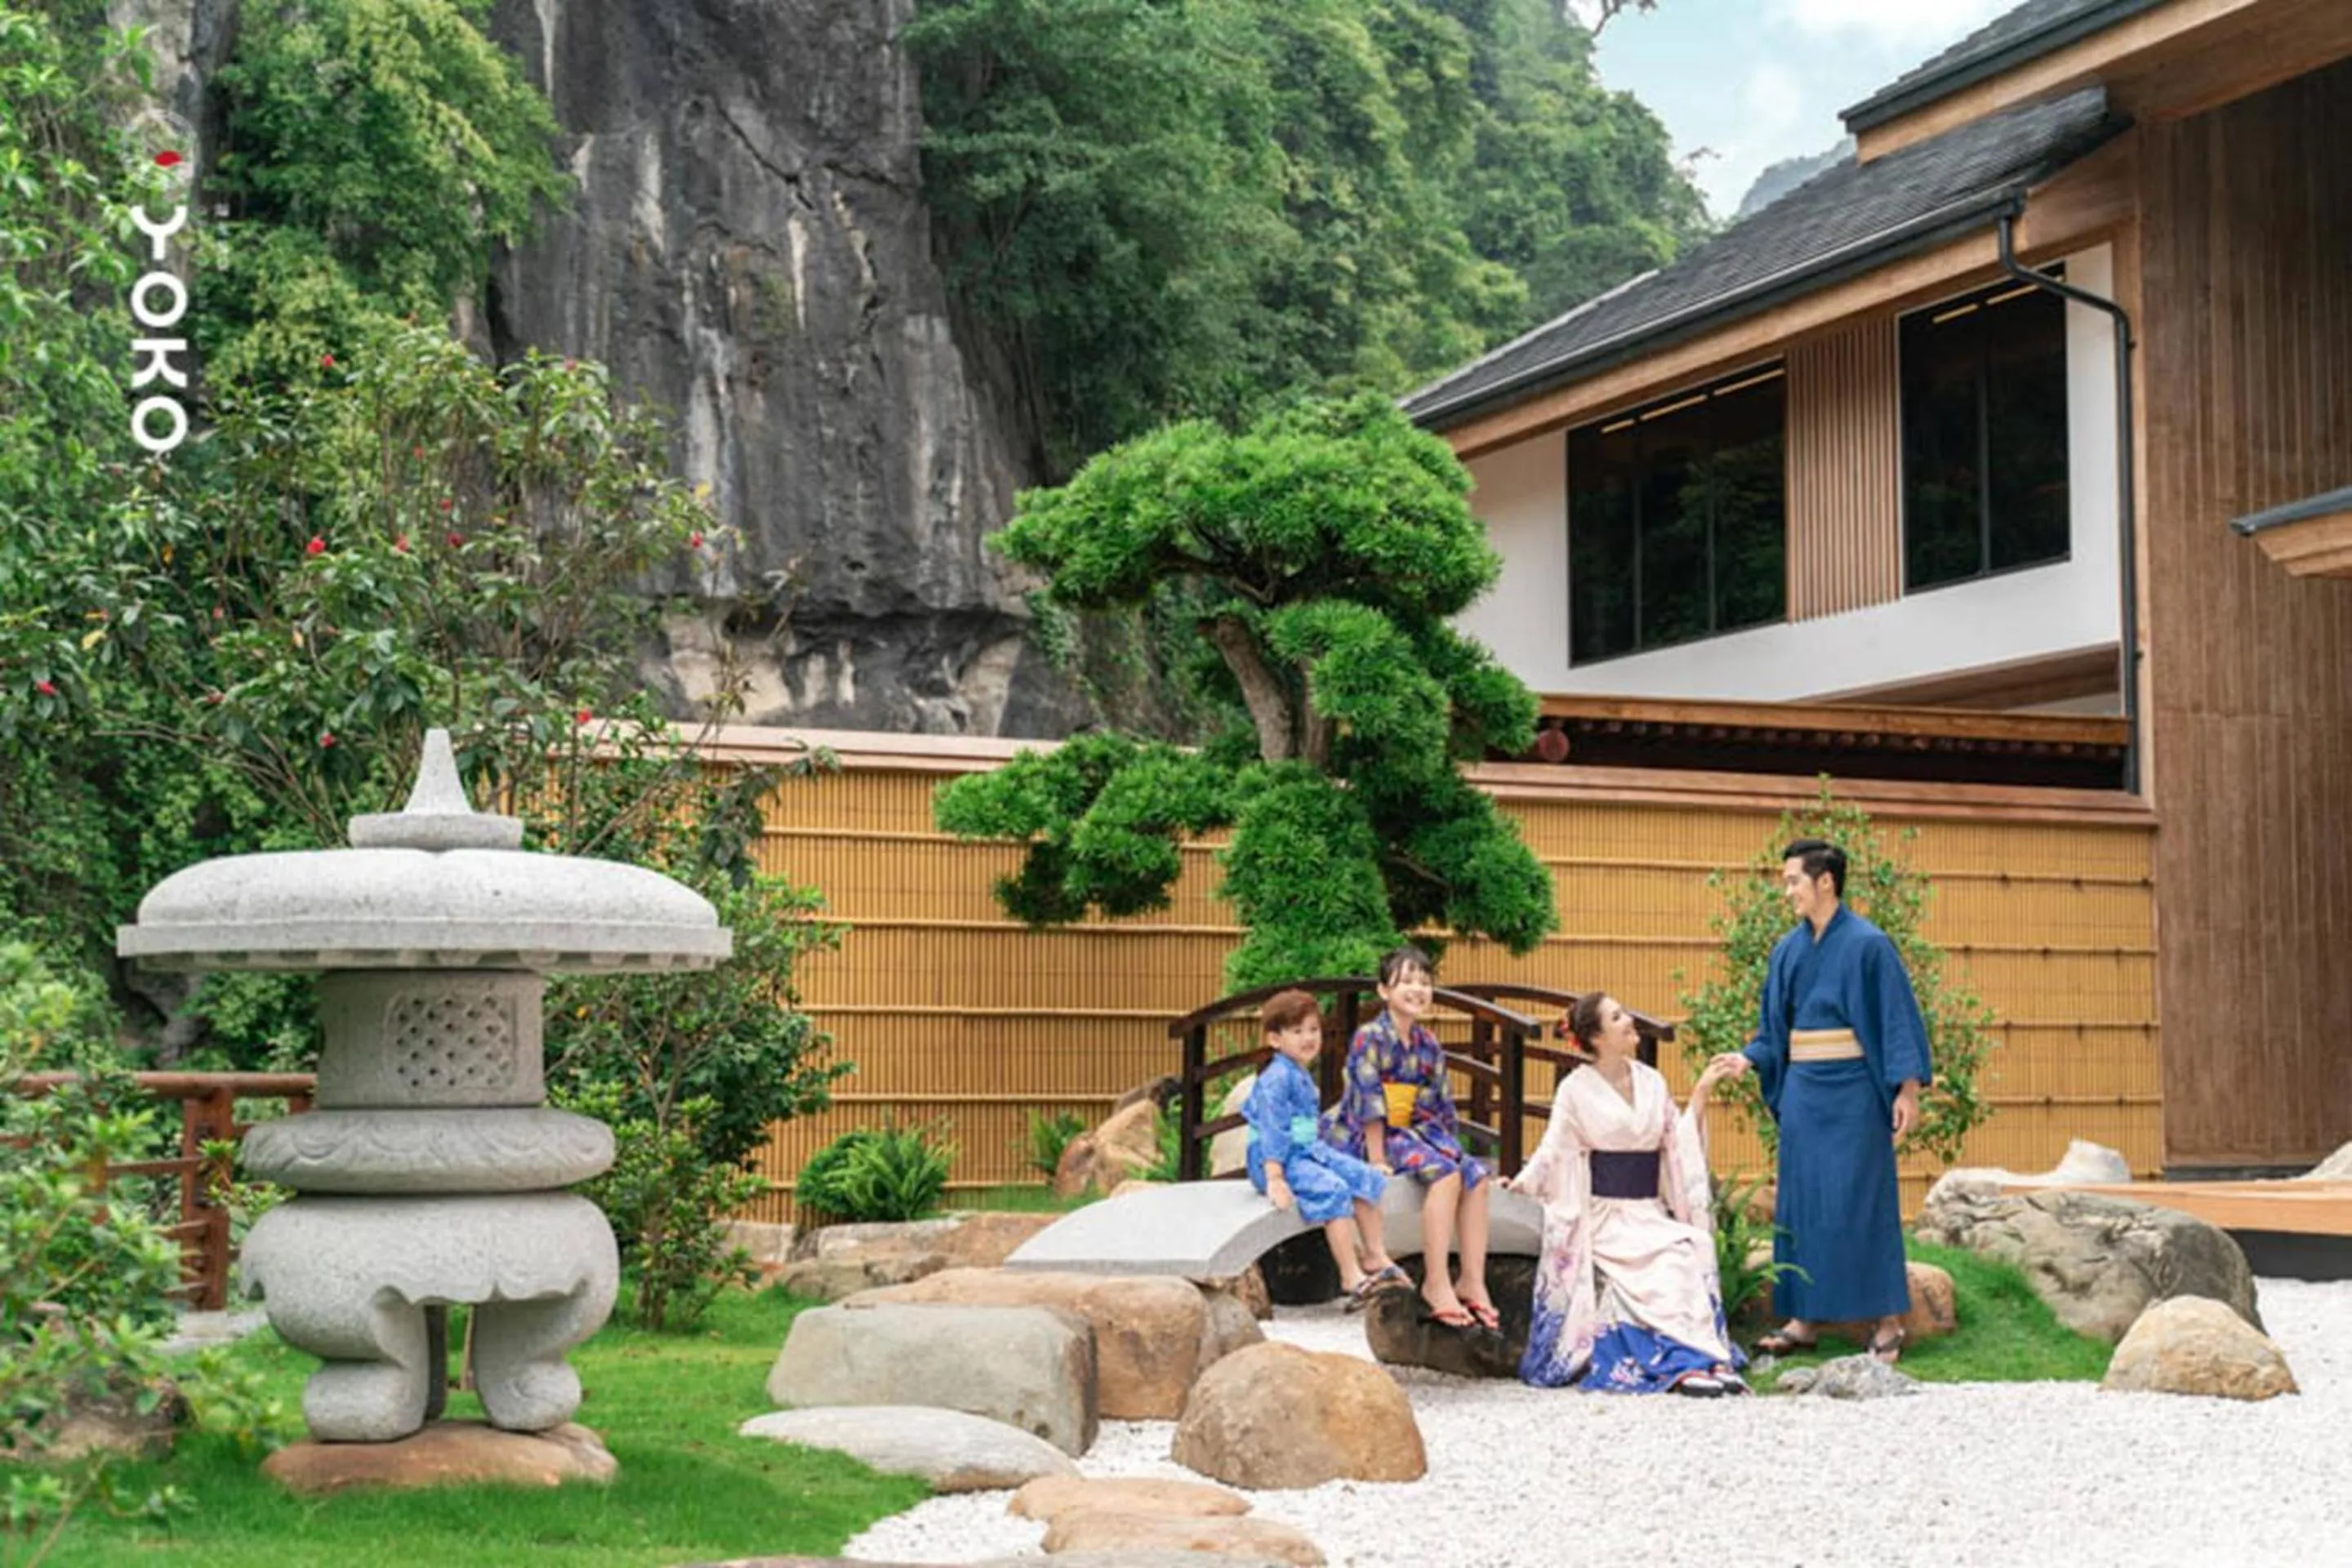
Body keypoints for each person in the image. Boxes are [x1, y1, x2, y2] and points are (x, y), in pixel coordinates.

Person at [1711, 838, 1931, 1364]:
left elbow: (1897, 1018)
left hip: (1856, 1088)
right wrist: (1749, 1058)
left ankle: (1887, 1320)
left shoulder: (1869, 944)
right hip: (1805, 1092)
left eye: (1793, 881)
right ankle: (1804, 1318)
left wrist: (1907, 1090)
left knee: (1863, 1200)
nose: (1786, 891)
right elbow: (1773, 1030)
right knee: (1803, 1202)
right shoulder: (1787, 950)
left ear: (1825, 881)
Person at [1508, 992, 1747, 1396]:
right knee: (1665, 1263)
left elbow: (1678, 1144)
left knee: (1692, 1247)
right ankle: (1680, 1363)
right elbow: (1555, 1151)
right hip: (1607, 1213)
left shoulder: (1652, 1081)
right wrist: (1521, 1184)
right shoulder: (1575, 1090)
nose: (1628, 1021)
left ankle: (1702, 1357)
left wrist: (1703, 1091)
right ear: (1597, 1038)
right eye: (1617, 1017)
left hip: (1647, 1209)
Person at [1329, 946, 1501, 1332]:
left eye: (1425, 983)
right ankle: (1436, 1281)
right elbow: (1368, 1102)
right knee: (1446, 1176)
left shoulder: (1428, 1043)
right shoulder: (1368, 1037)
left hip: (1411, 1130)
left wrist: (1455, 1151)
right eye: (1406, 981)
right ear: (1384, 991)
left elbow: (1439, 1108)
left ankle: (1472, 1279)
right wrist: (1376, 1159)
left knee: (1474, 1176)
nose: (1418, 989)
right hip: (1369, 1133)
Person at [1242, 989, 1407, 1310]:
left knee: (1364, 1176)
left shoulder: (1299, 1072)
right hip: (1275, 1157)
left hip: (1307, 1149)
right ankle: (1350, 1275)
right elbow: (1273, 1129)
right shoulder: (1276, 1078)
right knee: (1333, 1190)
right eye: (1297, 1031)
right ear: (1275, 1040)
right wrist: (1274, 1176)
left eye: (1314, 1029)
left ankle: (1375, 1254)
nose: (1308, 1038)